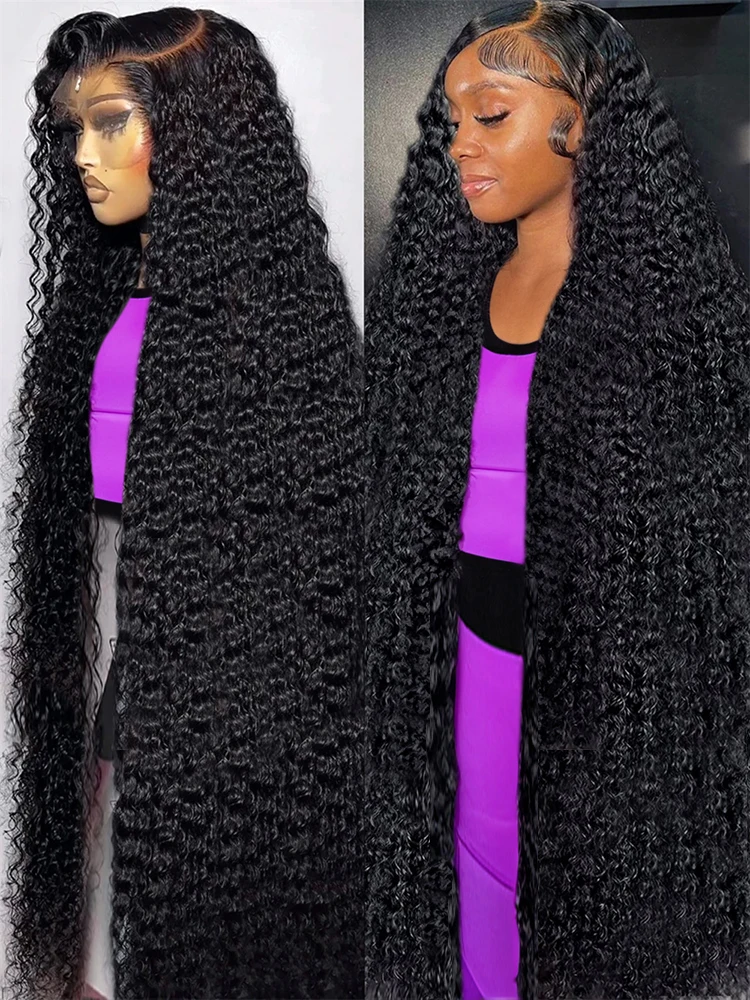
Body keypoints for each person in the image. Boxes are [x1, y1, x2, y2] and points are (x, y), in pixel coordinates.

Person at [365, 2, 750, 998]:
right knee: (476, 881)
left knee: (581, 904)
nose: (462, 145)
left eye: (492, 115)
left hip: (601, 681)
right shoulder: (441, 302)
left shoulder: (667, 312)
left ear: (584, 118)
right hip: (466, 652)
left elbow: (692, 561)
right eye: (453, 121)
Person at [3, 8, 364, 999]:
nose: (85, 154)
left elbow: (306, 570)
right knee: (92, 900)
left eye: (111, 122)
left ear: (197, 128)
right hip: (109, 621)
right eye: (75, 129)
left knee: (172, 896)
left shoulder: (276, 320)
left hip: (214, 659)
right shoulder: (102, 296)